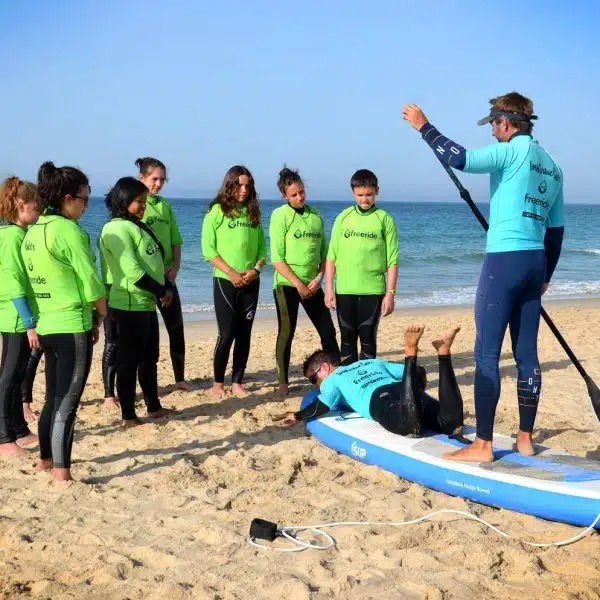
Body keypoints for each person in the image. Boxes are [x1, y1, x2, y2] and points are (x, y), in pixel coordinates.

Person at [403, 92, 564, 462]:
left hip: (503, 263)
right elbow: (556, 232)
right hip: (535, 263)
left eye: (493, 124)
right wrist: (545, 276)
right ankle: (525, 438)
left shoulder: (509, 152)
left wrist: (423, 127)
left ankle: (484, 445)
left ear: (506, 122)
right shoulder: (553, 166)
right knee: (527, 354)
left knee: (486, 354)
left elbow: (460, 159)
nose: (492, 132)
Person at [22, 162, 107, 482]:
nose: (87, 205)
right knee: (67, 404)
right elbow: (90, 281)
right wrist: (101, 315)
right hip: (72, 325)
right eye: (85, 199)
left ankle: (45, 461)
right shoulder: (69, 231)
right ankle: (61, 473)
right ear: (68, 198)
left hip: (45, 325)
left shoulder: (33, 230)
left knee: (52, 400)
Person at [274, 325, 463, 439]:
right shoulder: (370, 362)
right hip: (402, 388)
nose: (315, 386)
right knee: (451, 423)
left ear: (324, 368)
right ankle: (443, 352)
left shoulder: (333, 378)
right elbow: (418, 372)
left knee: (410, 427)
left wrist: (297, 416)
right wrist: (414, 394)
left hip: (379, 398)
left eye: (313, 379)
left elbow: (321, 407)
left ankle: (410, 351)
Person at [98, 177, 174, 426]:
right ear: (123, 201)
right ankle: (128, 415)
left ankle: (153, 406)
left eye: (144, 201)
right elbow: (132, 270)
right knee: (129, 360)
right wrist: (160, 290)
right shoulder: (115, 228)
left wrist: (164, 287)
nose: (143, 206)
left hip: (145, 302)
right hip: (128, 303)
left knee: (149, 357)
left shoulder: (136, 225)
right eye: (138, 202)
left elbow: (153, 261)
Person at [270, 166, 340, 396]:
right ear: (284, 196)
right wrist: (298, 284)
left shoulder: (315, 216)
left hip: (312, 285)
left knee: (328, 331)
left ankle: (337, 374)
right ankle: (282, 382)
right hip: (287, 284)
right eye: (293, 195)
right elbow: (277, 258)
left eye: (301, 192)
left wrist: (319, 279)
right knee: (286, 332)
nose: (299, 197)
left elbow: (325, 255)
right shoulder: (279, 216)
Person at [201, 165, 267, 398]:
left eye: (247, 186)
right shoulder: (217, 211)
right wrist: (230, 272)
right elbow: (208, 250)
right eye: (239, 185)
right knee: (226, 334)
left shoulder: (252, 213)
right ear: (229, 185)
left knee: (244, 334)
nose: (243, 189)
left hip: (251, 281)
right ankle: (218, 383)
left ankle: (237, 381)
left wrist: (256, 271)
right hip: (225, 281)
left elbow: (262, 250)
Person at [325, 169, 399, 365]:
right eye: (360, 195)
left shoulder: (384, 219)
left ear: (377, 191)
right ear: (353, 193)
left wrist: (390, 293)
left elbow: (392, 260)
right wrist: (329, 289)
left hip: (372, 290)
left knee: (368, 338)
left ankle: (367, 383)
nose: (364, 199)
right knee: (347, 339)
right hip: (344, 289)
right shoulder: (343, 217)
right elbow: (331, 256)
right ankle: (350, 384)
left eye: (369, 194)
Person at [136, 157, 190, 391]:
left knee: (176, 328)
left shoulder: (164, 206)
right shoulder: (135, 204)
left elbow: (176, 241)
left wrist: (175, 267)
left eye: (162, 180)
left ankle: (179, 380)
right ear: (142, 178)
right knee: (145, 337)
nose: (158, 184)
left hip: (166, 279)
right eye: (154, 179)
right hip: (144, 282)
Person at [0, 177, 41, 456]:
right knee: (9, 376)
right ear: (22, 205)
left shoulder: (21, 234)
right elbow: (14, 282)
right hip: (15, 316)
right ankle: (3, 438)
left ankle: (18, 428)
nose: (39, 212)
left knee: (17, 375)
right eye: (37, 207)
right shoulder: (12, 236)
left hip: (21, 314)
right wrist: (29, 323)